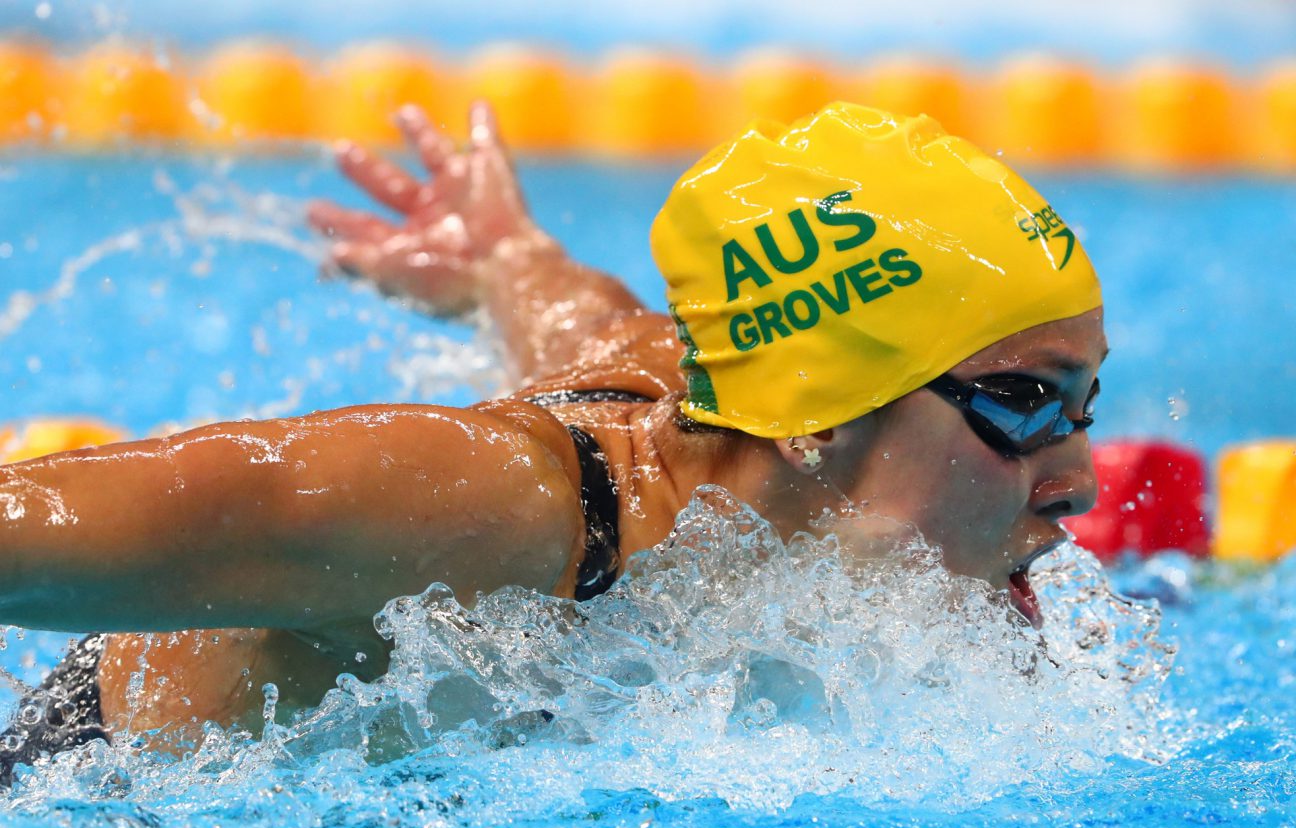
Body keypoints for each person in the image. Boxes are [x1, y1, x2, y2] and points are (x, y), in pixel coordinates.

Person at [0, 101, 1104, 778]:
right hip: (99, 799)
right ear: (818, 420)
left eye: (1085, 404)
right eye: (1025, 404)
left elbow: (595, 323)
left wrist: (499, 258)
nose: (1080, 480)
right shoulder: (486, 505)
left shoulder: (740, 412)